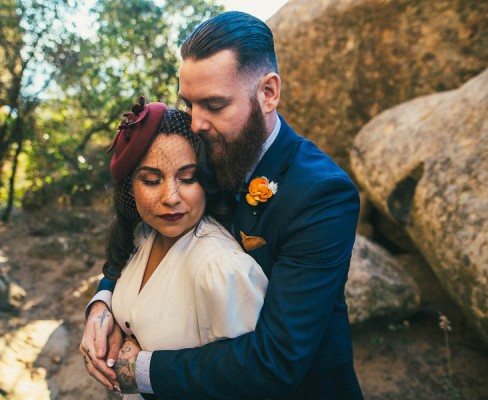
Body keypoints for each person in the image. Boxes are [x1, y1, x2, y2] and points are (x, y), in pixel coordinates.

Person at [81, 11, 363, 399]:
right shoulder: (204, 150)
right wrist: (103, 303)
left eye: (213, 105)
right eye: (190, 104)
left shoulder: (322, 195)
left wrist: (139, 368)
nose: (195, 123)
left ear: (268, 93)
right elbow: (143, 223)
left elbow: (276, 360)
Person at [81, 96, 268, 399]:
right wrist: (101, 310)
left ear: (205, 181)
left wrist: (138, 369)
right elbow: (119, 284)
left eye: (188, 177)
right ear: (130, 188)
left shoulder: (220, 268)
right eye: (152, 180)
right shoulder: (146, 234)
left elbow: (247, 381)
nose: (171, 197)